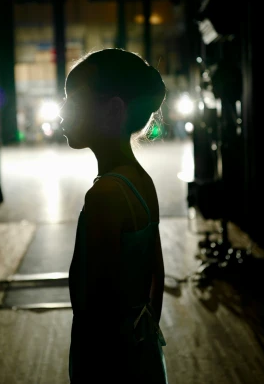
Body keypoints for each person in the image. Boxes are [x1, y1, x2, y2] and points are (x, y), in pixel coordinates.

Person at [61, 48, 169, 383]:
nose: (63, 111)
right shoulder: (140, 181)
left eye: (73, 102)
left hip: (107, 362)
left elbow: (93, 302)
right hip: (139, 352)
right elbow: (157, 278)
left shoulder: (105, 196)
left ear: (112, 111)